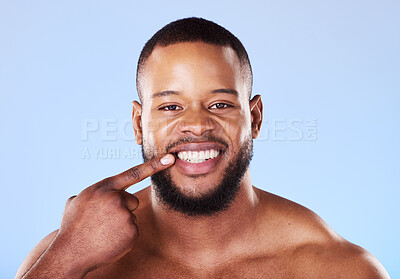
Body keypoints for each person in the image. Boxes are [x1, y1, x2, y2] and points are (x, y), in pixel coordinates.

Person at [16, 17, 389, 279]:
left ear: (255, 118)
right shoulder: (66, 260)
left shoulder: (338, 269)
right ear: (137, 124)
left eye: (221, 104)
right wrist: (66, 259)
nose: (196, 124)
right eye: (170, 107)